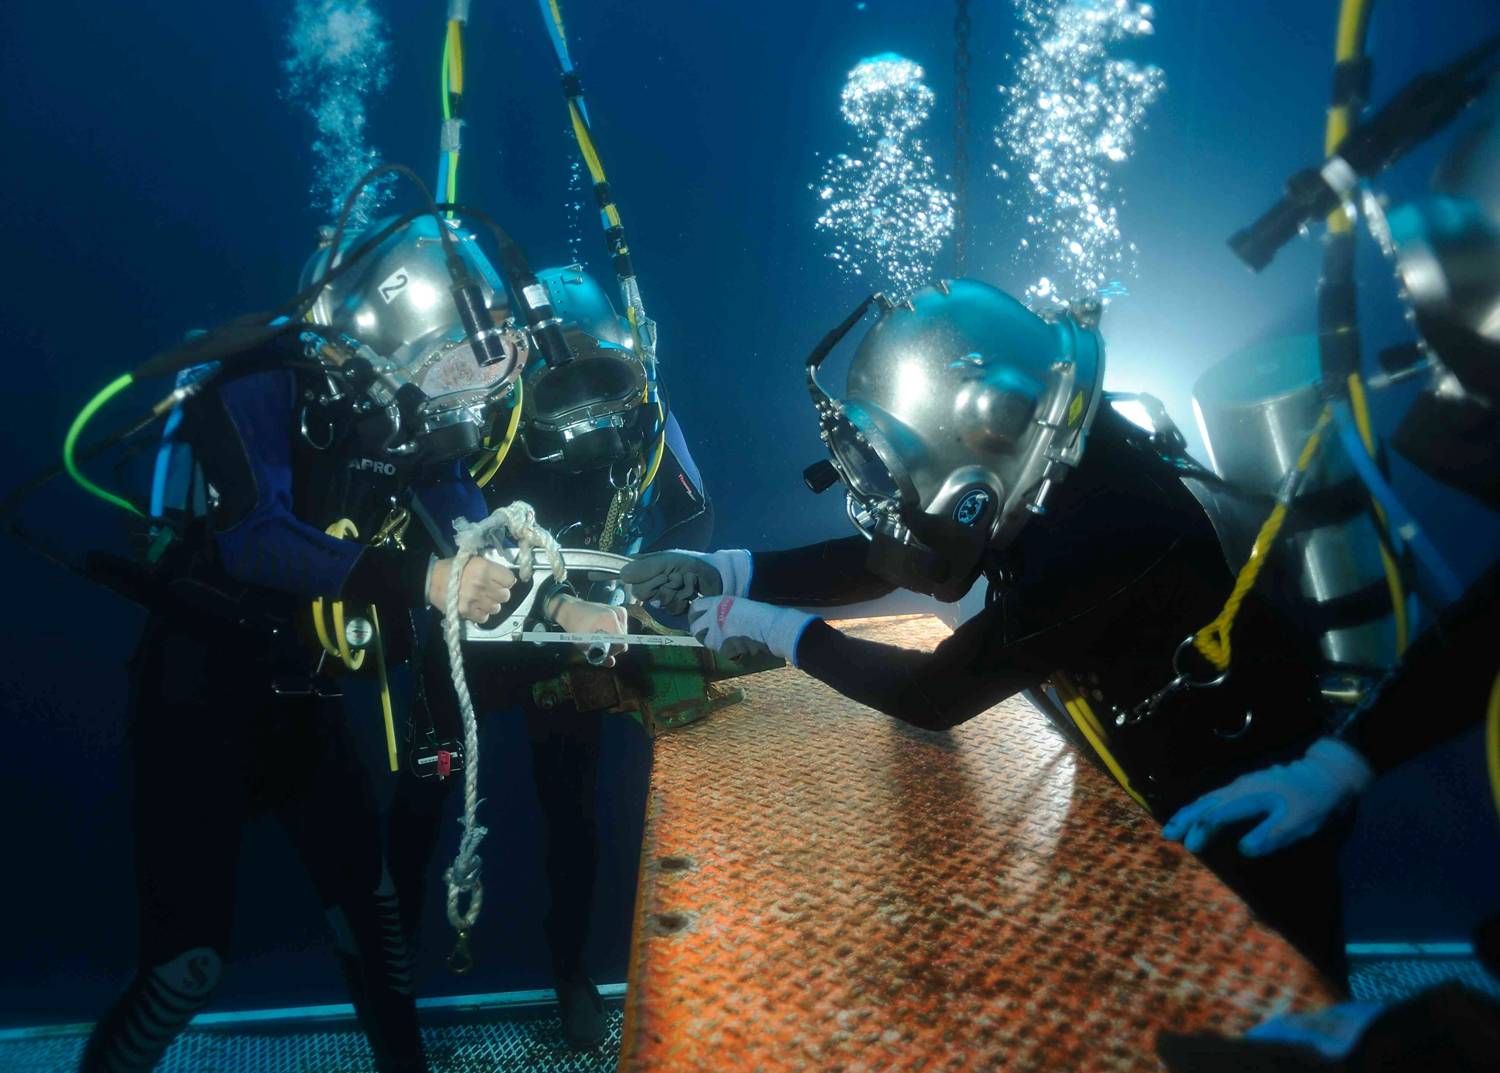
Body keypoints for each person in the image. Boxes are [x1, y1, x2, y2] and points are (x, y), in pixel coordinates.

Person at [622, 279, 1350, 981]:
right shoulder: (1053, 471)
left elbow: (933, 695)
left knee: (1286, 985)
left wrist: (771, 629)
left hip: (1242, 793)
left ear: (973, 443)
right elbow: (895, 561)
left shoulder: (1098, 536)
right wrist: (728, 570)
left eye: (889, 469)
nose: (878, 498)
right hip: (1139, 752)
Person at [82, 211, 626, 1073]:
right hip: (197, 691)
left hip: (305, 692)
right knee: (187, 966)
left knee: (373, 921)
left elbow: (468, 526)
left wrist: (563, 608)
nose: (468, 395)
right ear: (389, 335)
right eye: (452, 361)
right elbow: (253, 536)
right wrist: (425, 581)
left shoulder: (414, 419)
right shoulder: (255, 382)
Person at [383, 264, 712, 1050]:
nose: (586, 410)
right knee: (422, 807)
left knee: (573, 812)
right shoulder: (485, 423)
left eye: (605, 377)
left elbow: (691, 514)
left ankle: (572, 975)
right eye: (565, 386)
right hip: (471, 648)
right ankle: (388, 994)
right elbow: (426, 497)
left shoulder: (647, 421)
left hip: (571, 647)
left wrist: (640, 589)